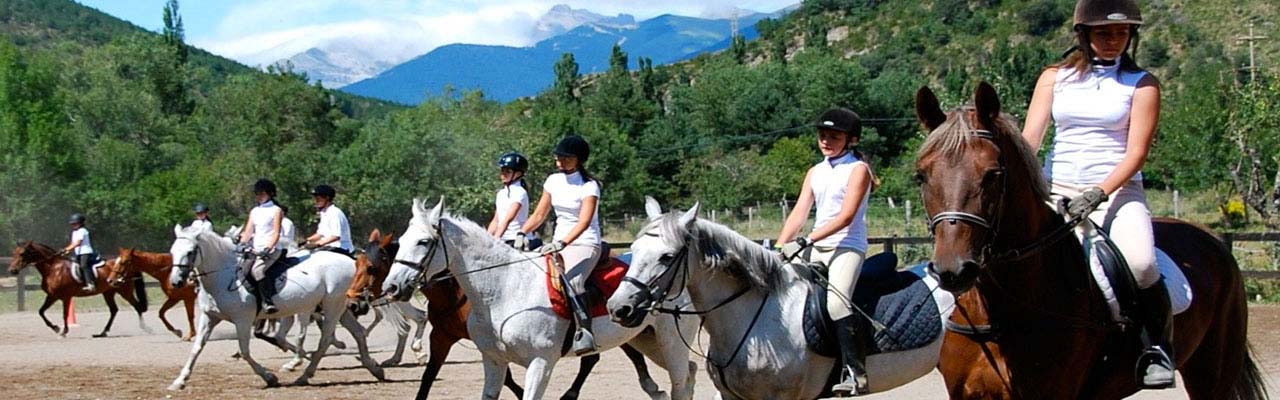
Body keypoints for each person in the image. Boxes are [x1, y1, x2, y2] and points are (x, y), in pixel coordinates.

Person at [1021, 0, 1171, 389]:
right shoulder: (1054, 77)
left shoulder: (1142, 84)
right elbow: (1030, 140)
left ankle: (1155, 348)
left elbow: (1137, 153)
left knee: (1140, 263)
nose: (1113, 40)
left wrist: (1099, 192)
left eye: (1121, 33)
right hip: (1055, 187)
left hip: (1117, 190)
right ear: (1084, 35)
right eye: (1104, 32)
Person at [775, 107, 875, 396]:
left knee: (837, 304)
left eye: (834, 136)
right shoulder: (815, 172)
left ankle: (855, 373)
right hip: (816, 246)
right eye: (822, 135)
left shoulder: (859, 170)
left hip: (846, 246)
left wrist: (806, 241)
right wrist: (781, 247)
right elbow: (799, 213)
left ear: (851, 140)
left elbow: (846, 216)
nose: (826, 141)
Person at [515, 135, 602, 355]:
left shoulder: (589, 186)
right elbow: (539, 213)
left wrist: (562, 242)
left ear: (579, 159)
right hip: (557, 243)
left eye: (565, 157)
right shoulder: (552, 180)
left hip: (584, 243)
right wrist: (522, 231)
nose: (559, 161)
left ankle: (584, 332)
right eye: (558, 157)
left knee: (573, 281)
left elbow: (584, 222)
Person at [236, 178, 285, 314]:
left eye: (261, 193)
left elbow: (276, 232)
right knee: (242, 269)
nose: (258, 196)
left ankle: (268, 302)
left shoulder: (276, 210)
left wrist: (268, 248)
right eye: (257, 193)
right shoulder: (255, 211)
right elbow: (248, 232)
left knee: (257, 271)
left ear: (269, 194)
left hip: (272, 249)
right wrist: (241, 244)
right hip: (255, 249)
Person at [487, 152, 540, 248]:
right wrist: (486, 239)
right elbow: (496, 221)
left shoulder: (520, 193)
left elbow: (508, 219)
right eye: (502, 170)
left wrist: (494, 241)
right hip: (503, 238)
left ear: (518, 174)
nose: (503, 174)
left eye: (508, 171)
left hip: (517, 240)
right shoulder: (501, 194)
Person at [304, 185, 353, 255]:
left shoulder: (335, 213)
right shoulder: (324, 213)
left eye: (318, 199)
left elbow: (336, 236)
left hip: (341, 248)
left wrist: (318, 243)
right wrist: (307, 240)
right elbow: (320, 234)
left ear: (327, 198)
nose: (316, 201)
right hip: (329, 247)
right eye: (315, 199)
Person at [62, 213, 98, 291]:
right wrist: (66, 250)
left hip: (85, 252)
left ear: (81, 223)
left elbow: (78, 242)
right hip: (78, 253)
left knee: (84, 265)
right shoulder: (74, 232)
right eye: (72, 224)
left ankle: (90, 284)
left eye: (75, 223)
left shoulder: (83, 231)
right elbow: (72, 243)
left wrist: (67, 249)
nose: (73, 225)